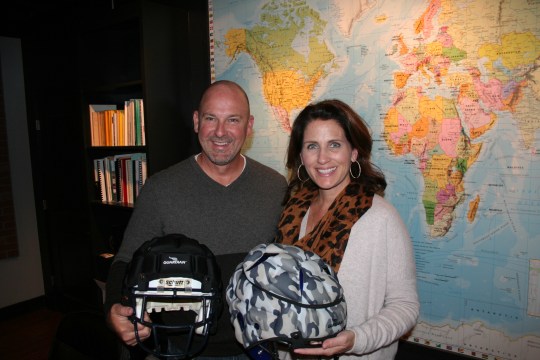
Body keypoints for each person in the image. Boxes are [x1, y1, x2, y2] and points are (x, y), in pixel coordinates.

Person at [105, 80, 288, 359]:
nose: (220, 132)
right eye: (210, 118)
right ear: (195, 121)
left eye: (233, 120)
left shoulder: (275, 187)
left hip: (259, 348)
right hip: (180, 348)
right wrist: (114, 307)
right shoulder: (161, 189)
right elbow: (125, 260)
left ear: (249, 126)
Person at [274, 99, 419, 359]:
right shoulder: (293, 211)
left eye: (334, 145)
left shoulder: (381, 219)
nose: (322, 158)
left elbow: (405, 306)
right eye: (311, 146)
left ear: (353, 152)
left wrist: (356, 339)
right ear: (301, 155)